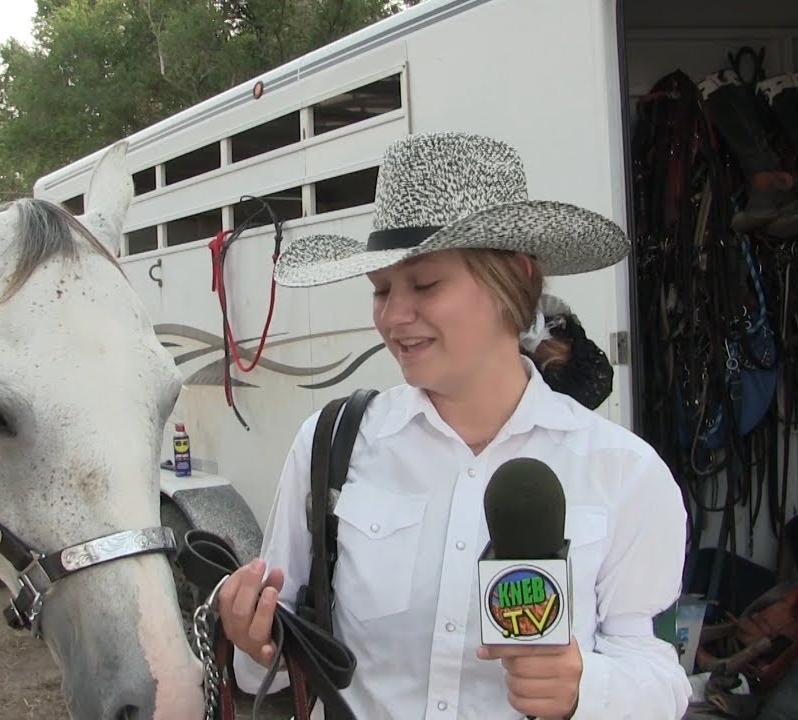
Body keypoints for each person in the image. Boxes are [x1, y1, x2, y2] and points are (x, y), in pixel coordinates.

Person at [217, 131, 693, 719]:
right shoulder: (332, 444)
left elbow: (661, 679)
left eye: (425, 284)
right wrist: (249, 633)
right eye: (381, 290)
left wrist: (583, 687)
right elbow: (268, 657)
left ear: (513, 281)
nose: (393, 316)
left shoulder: (625, 474)